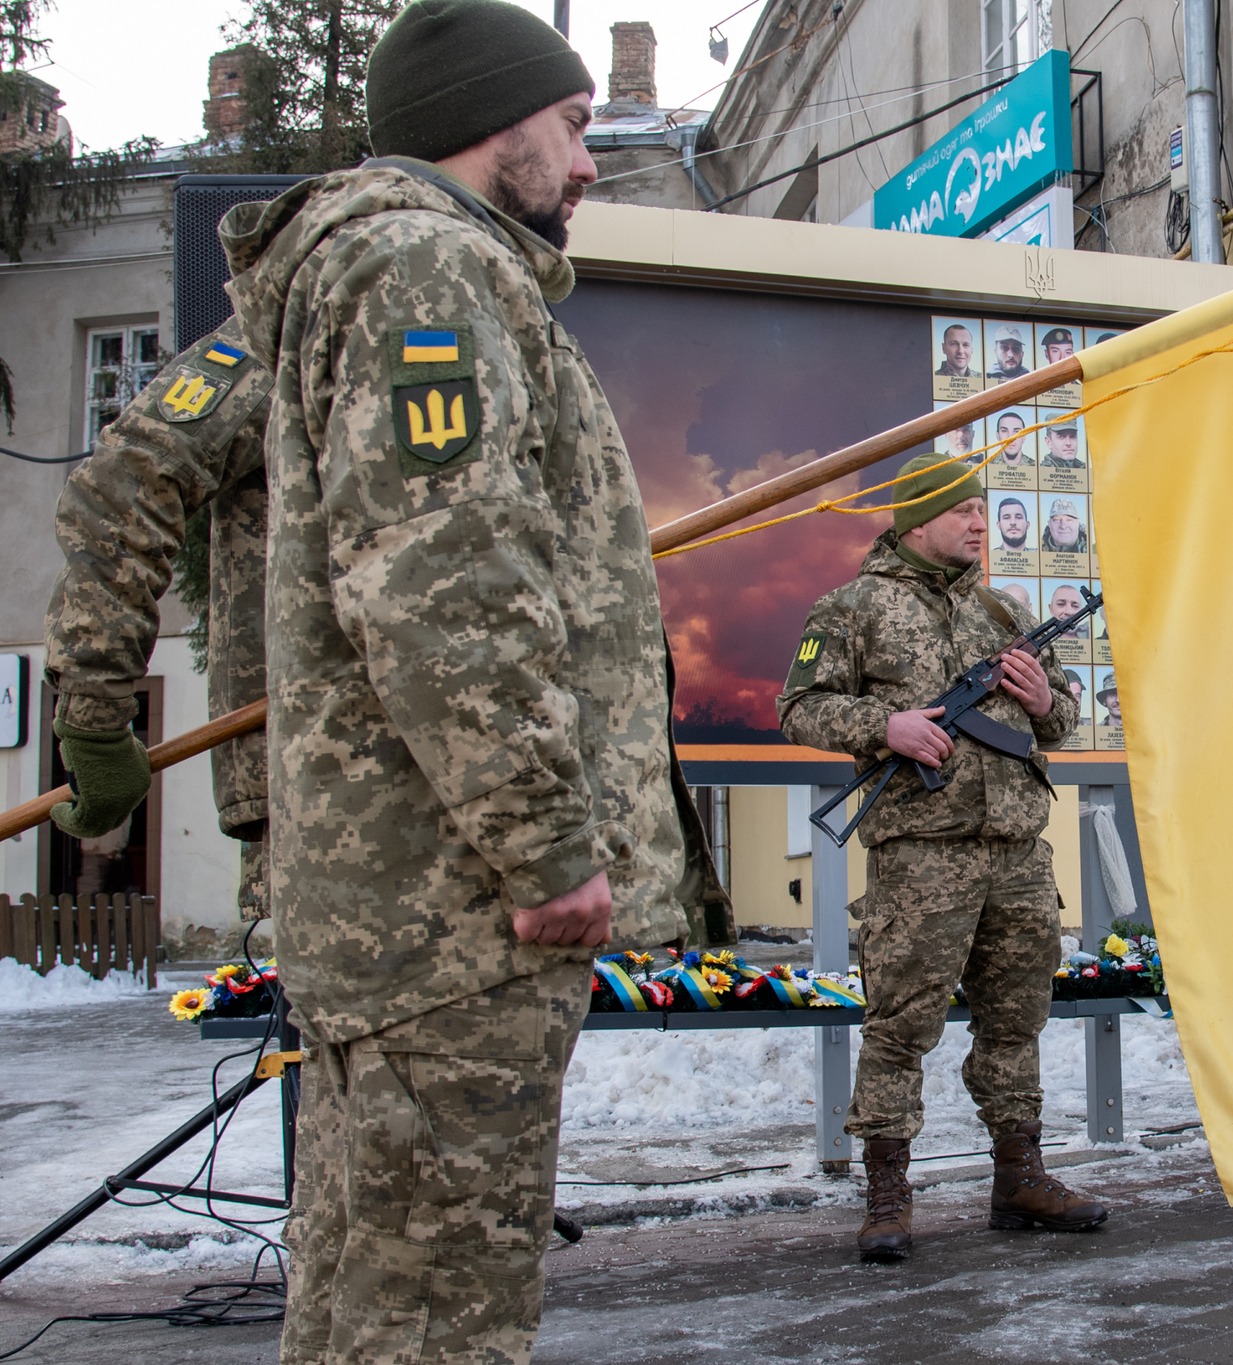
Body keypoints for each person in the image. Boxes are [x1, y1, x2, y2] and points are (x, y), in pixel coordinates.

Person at [219, 3, 714, 1358]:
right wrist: (549, 848)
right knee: (436, 1319)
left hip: (415, 923)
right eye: (569, 128)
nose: (590, 161)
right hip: (452, 922)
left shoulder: (402, 271)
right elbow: (450, 593)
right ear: (491, 126)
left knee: (367, 1299)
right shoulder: (427, 275)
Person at [778, 452, 1103, 1261]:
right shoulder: (852, 608)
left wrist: (1039, 698)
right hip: (922, 855)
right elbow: (799, 707)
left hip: (1018, 850)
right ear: (917, 518)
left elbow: (1060, 719)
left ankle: (1019, 1175)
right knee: (900, 1027)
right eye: (964, 511)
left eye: (982, 512)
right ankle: (888, 1194)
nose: (978, 524)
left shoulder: (1003, 610)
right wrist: (884, 728)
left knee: (1016, 1022)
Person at [41, 319, 273, 924]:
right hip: (349, 806)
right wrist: (94, 722)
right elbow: (128, 484)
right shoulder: (312, 312)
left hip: (528, 800)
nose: (561, 216)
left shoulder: (529, 328)